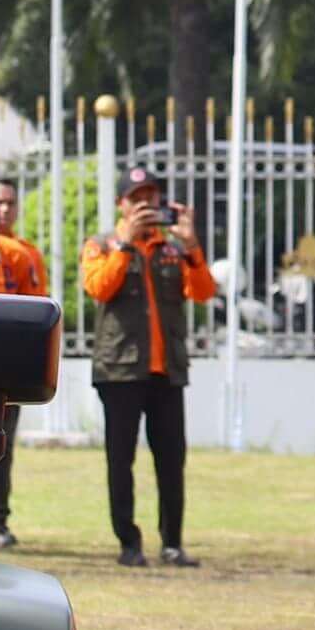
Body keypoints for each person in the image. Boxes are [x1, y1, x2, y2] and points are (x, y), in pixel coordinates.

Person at [88, 169, 219, 565]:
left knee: (171, 460)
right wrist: (125, 245)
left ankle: (172, 542)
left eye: (151, 197)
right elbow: (98, 288)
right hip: (120, 371)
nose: (145, 205)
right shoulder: (101, 244)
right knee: (120, 460)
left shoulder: (173, 249)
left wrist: (192, 244)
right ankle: (129, 542)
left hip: (167, 372)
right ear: (122, 205)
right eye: (137, 198)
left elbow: (203, 291)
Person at [0, 175, 49, 545]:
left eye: (10, 202)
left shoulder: (23, 252)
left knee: (2, 441)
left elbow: (35, 303)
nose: (4, 209)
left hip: (5, 356)